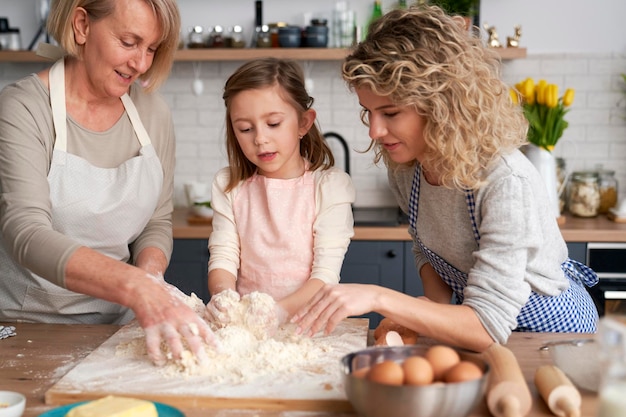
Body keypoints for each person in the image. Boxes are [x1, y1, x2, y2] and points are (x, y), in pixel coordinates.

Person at [291, 5, 599, 353]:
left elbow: (486, 326)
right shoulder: (407, 168)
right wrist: (430, 309)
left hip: (554, 343)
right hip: (483, 335)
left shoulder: (505, 181)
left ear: (441, 104)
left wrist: (378, 296)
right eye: (369, 112)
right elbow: (428, 248)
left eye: (390, 113)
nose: (375, 131)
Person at [0, 0, 214, 366]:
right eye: (130, 42)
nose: (142, 63)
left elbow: (156, 222)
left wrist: (150, 276)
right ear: (82, 25)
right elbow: (26, 233)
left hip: (120, 330)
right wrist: (134, 287)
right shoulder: (23, 108)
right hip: (29, 332)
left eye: (151, 48)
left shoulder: (152, 113)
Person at [206, 58, 355, 330]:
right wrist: (222, 295)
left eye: (273, 123)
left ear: (303, 123)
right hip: (247, 328)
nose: (260, 138)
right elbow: (224, 255)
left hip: (310, 327)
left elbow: (325, 275)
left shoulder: (329, 187)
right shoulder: (230, 185)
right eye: (245, 129)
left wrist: (277, 313)